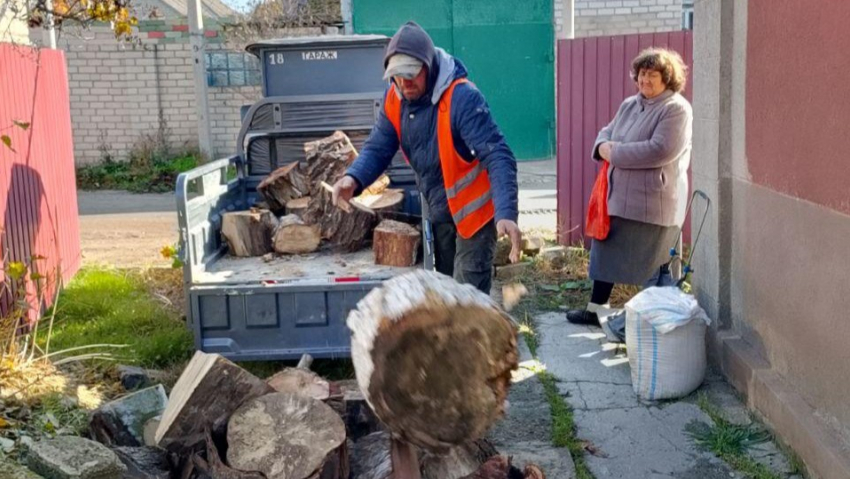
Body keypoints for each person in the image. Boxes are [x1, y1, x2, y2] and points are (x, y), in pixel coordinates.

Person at [332, 21, 522, 295]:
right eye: (398, 75)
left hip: (475, 216)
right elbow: (378, 147)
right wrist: (353, 178)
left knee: (466, 298)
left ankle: (475, 337)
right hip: (439, 210)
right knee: (445, 292)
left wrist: (506, 212)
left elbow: (498, 155)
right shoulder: (393, 100)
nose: (405, 82)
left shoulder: (462, 97)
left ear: (428, 66)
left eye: (412, 73)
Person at [566, 47, 693, 331]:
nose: (645, 80)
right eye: (642, 74)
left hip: (652, 202)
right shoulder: (630, 104)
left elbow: (660, 150)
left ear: (667, 78)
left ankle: (656, 320)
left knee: (655, 264)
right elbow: (606, 131)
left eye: (652, 75)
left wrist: (614, 152)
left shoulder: (676, 109)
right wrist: (601, 147)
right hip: (617, 198)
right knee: (605, 252)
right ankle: (596, 311)